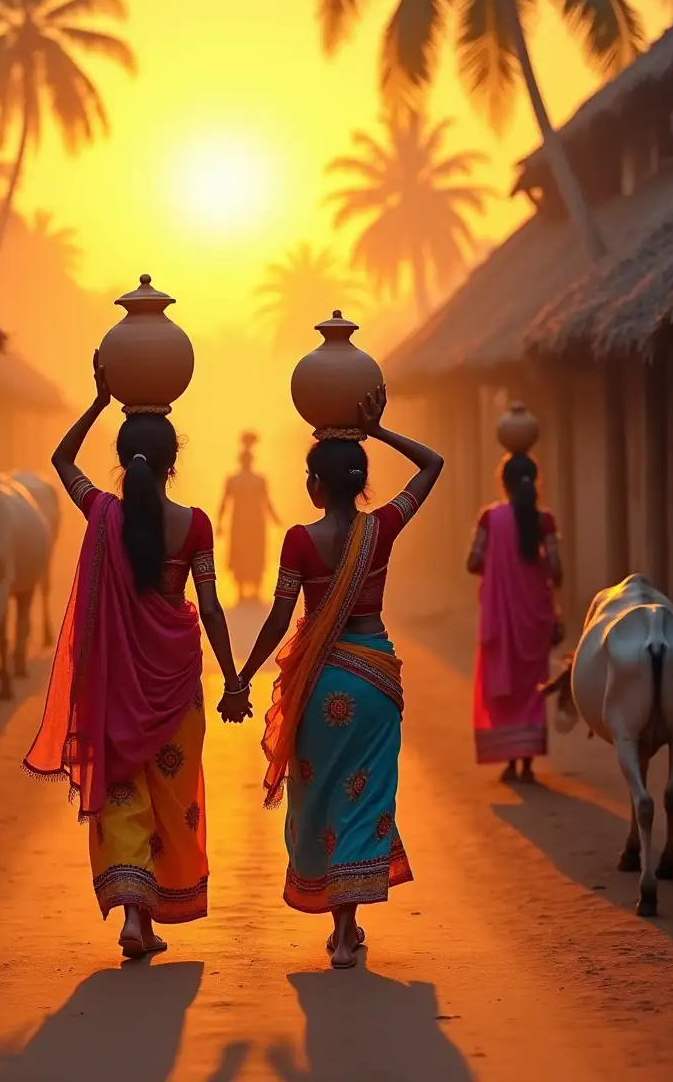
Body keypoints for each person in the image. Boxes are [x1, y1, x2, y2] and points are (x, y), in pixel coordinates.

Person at [24, 352, 251, 959]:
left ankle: (133, 917)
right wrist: (234, 680)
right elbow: (210, 608)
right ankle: (150, 917)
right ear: (175, 461)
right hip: (176, 684)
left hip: (118, 686)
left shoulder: (102, 513)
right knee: (173, 801)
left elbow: (62, 461)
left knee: (124, 797)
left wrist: (99, 401)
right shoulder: (195, 526)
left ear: (123, 462)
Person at [233, 385, 442, 969]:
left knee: (322, 798)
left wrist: (243, 675)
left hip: (320, 686)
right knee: (365, 794)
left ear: (314, 486)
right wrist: (375, 430)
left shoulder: (300, 540)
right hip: (374, 681)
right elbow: (433, 464)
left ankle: (338, 923)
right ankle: (349, 930)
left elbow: (280, 617)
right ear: (362, 482)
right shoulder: (383, 528)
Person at [466, 452, 563, 784]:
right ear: (535, 482)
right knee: (531, 687)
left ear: (502, 483)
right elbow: (556, 568)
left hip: (501, 615)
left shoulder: (489, 519)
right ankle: (527, 764)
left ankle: (509, 760)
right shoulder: (544, 520)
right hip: (535, 616)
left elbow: (472, 561)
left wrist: (497, 572)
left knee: (503, 683)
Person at [218, 432, 280, 604]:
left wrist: (275, 518)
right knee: (241, 553)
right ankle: (240, 591)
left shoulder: (258, 480)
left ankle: (254, 591)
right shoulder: (234, 480)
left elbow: (266, 501)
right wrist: (219, 522)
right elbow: (224, 501)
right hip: (241, 521)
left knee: (255, 553)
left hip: (253, 522)